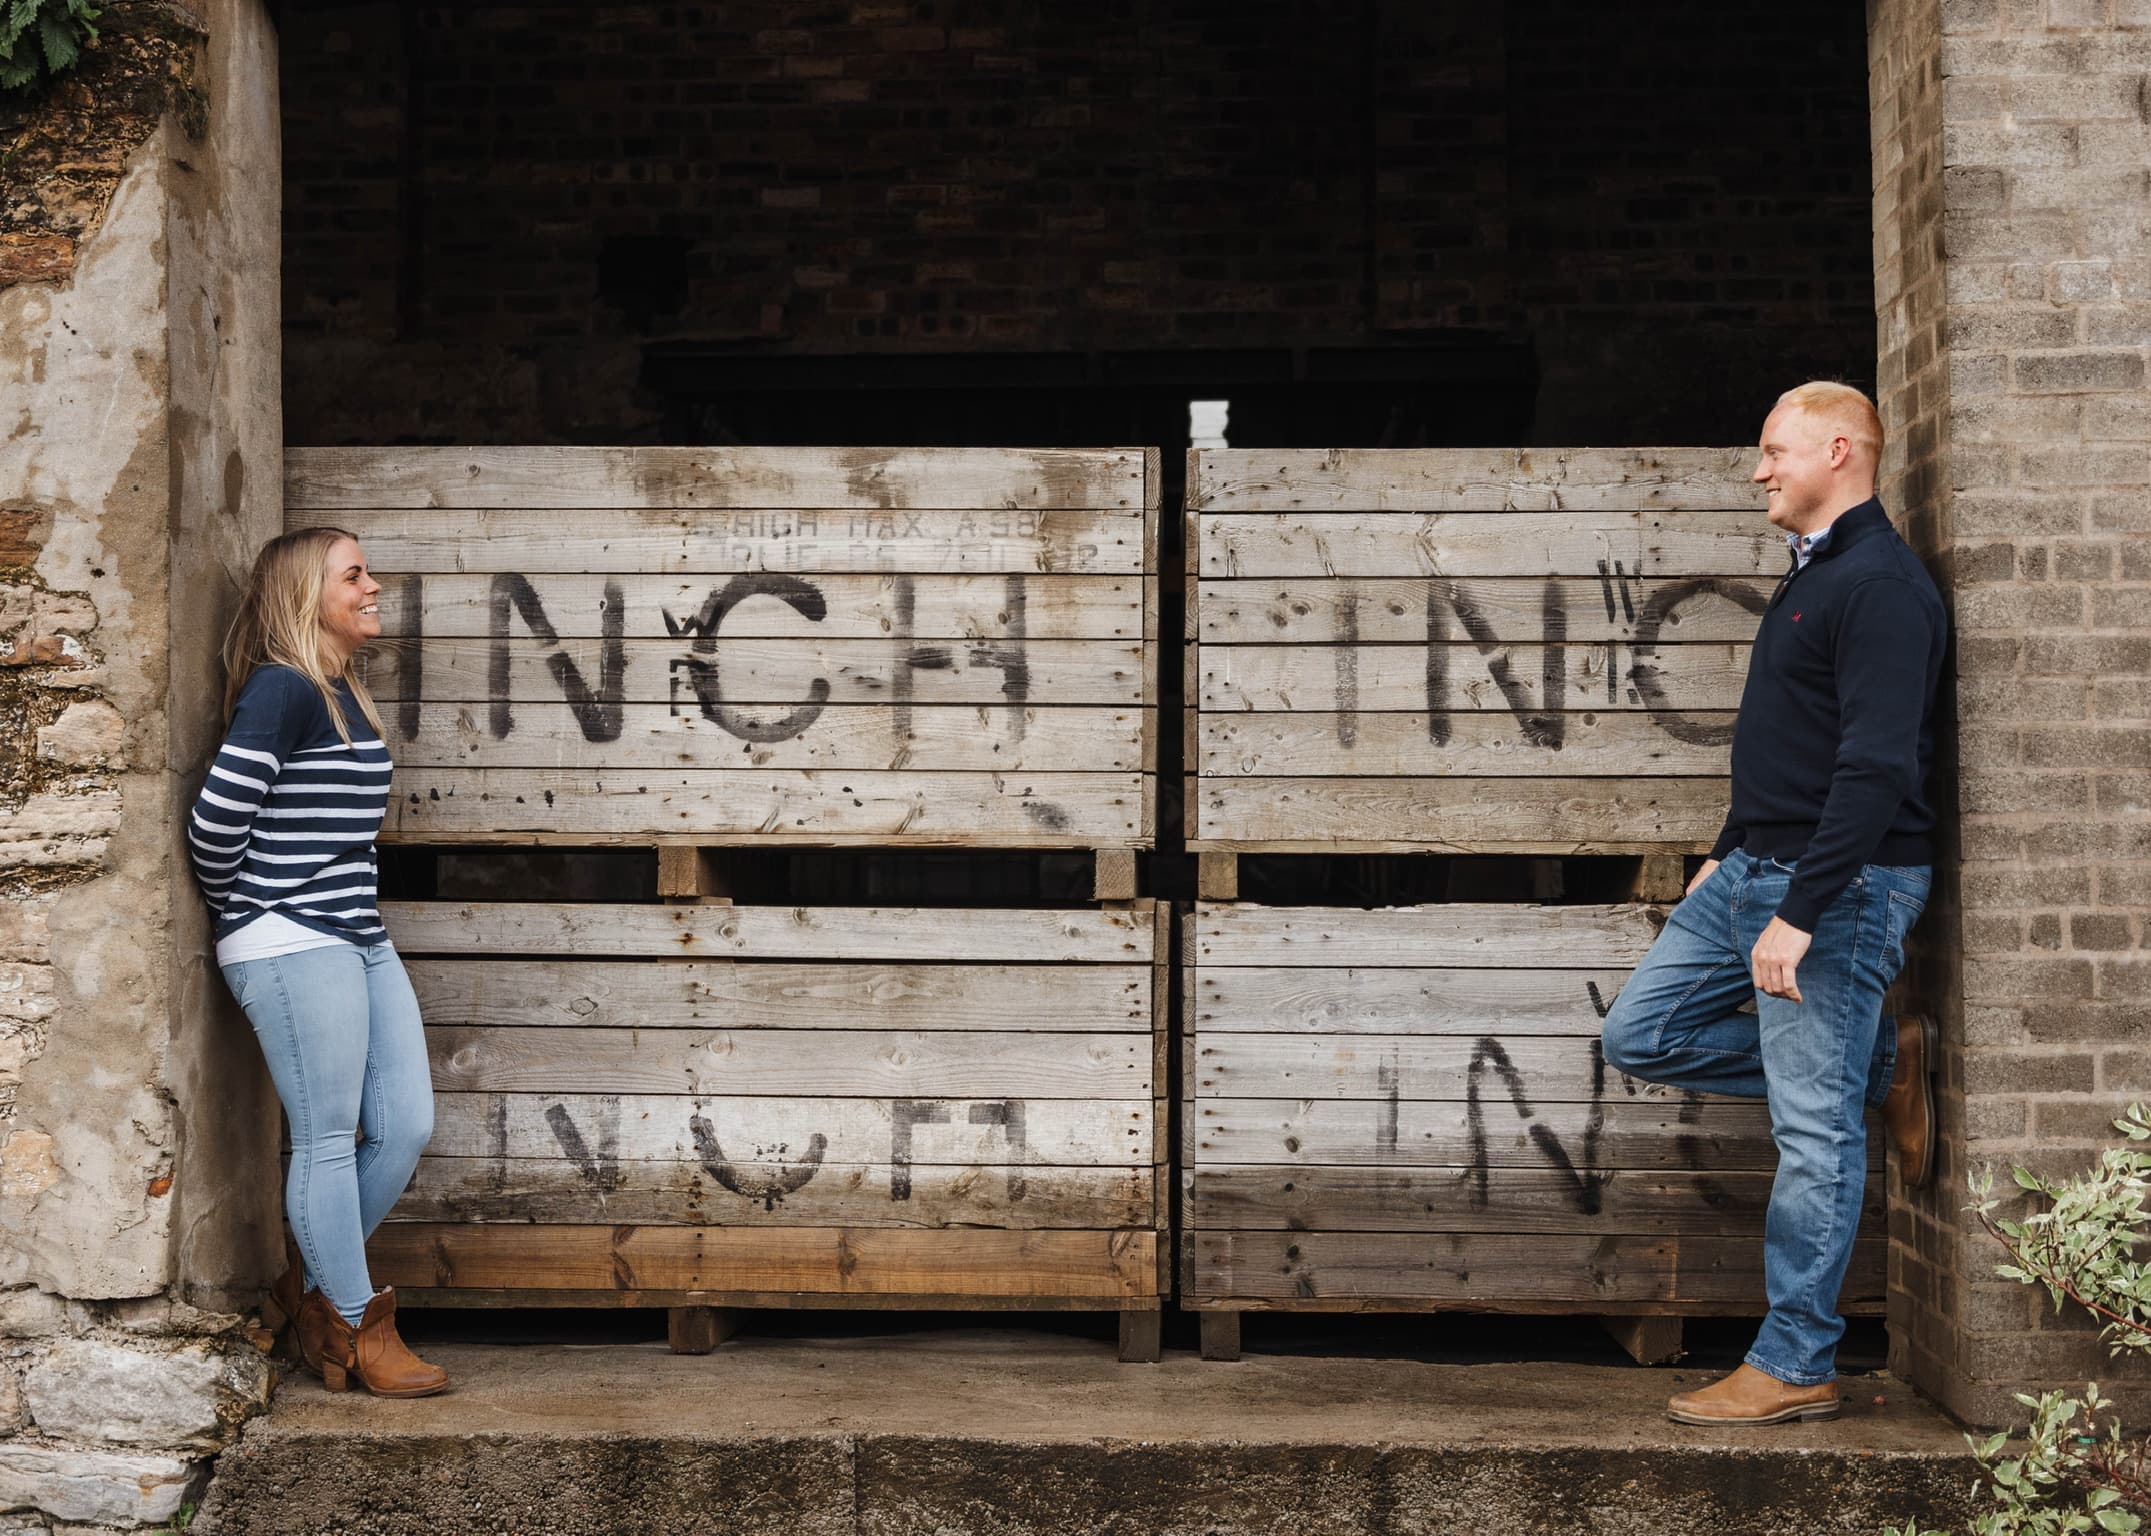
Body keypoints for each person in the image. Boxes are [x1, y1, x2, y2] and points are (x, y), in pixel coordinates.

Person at [1600, 381, 1945, 1426]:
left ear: (1838, 450)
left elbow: (1875, 768)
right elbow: (1790, 747)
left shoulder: (1881, 585)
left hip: (1833, 888)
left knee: (1813, 1133)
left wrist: (1803, 905)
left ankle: (1796, 1361)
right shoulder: (1818, 576)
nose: (1758, 470)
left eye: (1773, 451)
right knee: (1639, 1032)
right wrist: (1728, 852)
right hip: (1753, 870)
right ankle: (1884, 1065)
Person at [188, 527, 448, 1398]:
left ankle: (304, 1298)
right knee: (330, 1138)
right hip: (291, 937)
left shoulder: (340, 692)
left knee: (404, 1122)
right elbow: (215, 823)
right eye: (354, 574)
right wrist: (250, 905)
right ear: (309, 595)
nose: (373, 586)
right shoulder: (282, 691)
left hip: (356, 936)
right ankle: (359, 1329)